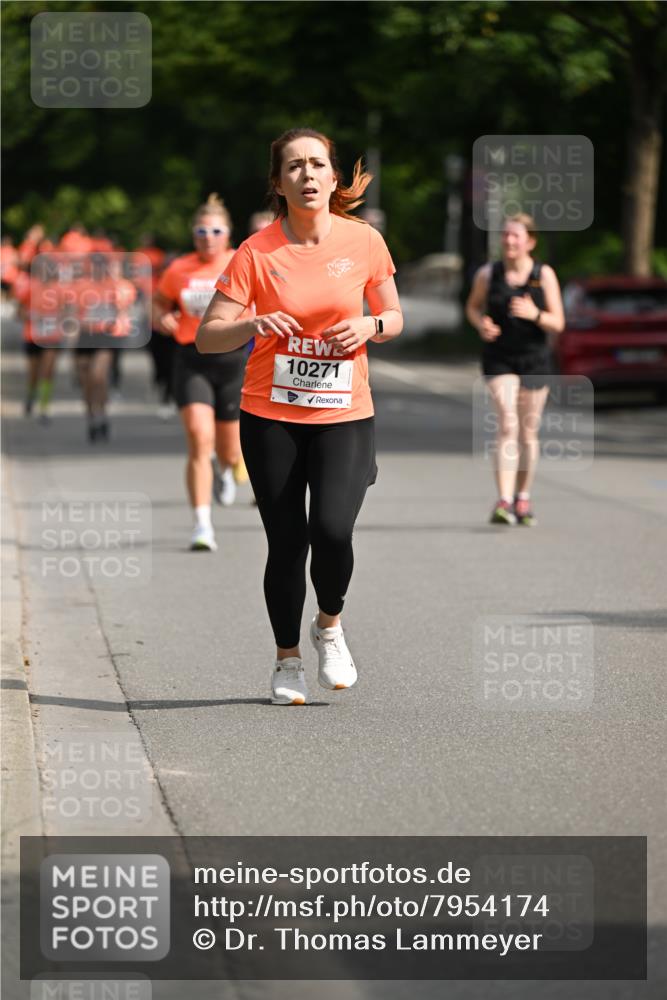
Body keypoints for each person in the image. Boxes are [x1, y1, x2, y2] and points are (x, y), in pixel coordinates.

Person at [197, 126, 403, 705]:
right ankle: (287, 660)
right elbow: (206, 339)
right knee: (287, 542)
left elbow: (393, 316)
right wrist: (250, 325)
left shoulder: (364, 242)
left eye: (317, 164)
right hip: (270, 415)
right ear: (278, 183)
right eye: (294, 167)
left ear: (333, 177)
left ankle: (329, 625)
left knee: (333, 530)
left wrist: (370, 325)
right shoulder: (256, 253)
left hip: (344, 412)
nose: (307, 175)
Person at [153, 195, 248, 551]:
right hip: (191, 358)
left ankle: (226, 470)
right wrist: (160, 316)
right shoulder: (179, 268)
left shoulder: (242, 261)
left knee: (230, 450)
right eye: (201, 230)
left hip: (233, 361)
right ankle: (202, 525)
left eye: (216, 230)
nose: (208, 237)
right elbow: (160, 301)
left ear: (228, 234)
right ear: (193, 234)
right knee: (198, 438)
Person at [466, 213, 565, 526]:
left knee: (527, 431)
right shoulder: (488, 273)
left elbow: (558, 323)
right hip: (500, 358)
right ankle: (504, 501)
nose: (509, 240)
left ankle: (523, 498)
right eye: (505, 235)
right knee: (507, 422)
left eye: (516, 236)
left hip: (534, 359)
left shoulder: (543, 274)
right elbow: (472, 307)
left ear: (530, 241)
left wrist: (535, 313)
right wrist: (480, 324)